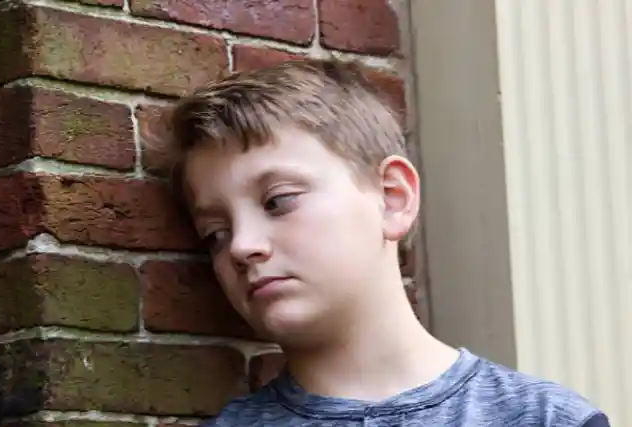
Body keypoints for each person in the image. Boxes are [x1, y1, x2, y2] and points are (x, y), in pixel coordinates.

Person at [148, 58, 610, 426]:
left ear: (392, 199)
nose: (241, 247)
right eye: (216, 234)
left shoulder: (544, 419)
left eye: (278, 201)